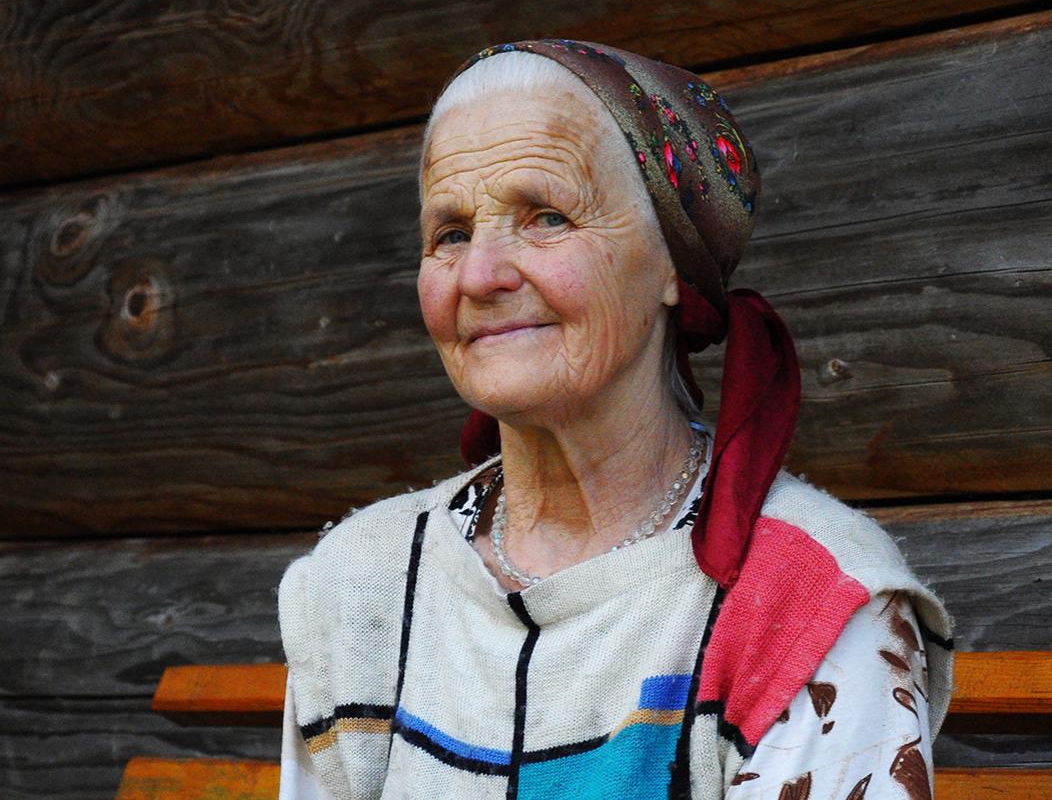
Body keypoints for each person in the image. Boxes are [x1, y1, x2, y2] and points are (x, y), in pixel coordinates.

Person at [277, 39, 954, 800]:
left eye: (546, 218)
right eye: (452, 233)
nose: (480, 274)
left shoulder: (810, 604)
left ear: (672, 265)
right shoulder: (359, 586)